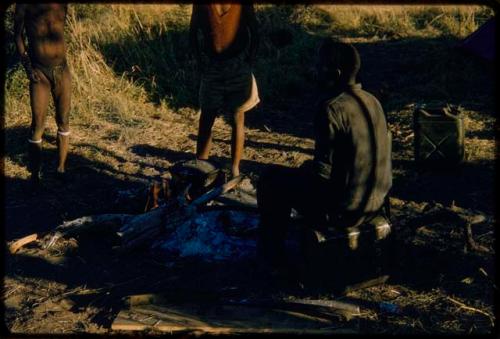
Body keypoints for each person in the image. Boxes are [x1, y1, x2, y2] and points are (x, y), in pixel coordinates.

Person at [257, 39, 392, 267]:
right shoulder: (373, 101)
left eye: (319, 67)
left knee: (271, 180)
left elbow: (323, 174)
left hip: (346, 210)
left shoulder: (331, 108)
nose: (315, 72)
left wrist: (305, 173)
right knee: (296, 176)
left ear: (335, 73)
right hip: (375, 203)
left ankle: (273, 260)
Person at [189, 3, 260, 178]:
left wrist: (249, 60)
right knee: (208, 119)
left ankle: (233, 168)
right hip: (217, 66)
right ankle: (202, 167)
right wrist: (200, 63)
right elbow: (192, 34)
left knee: (234, 118)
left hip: (234, 64)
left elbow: (255, 32)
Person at [14, 4, 72, 188]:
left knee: (63, 120)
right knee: (38, 124)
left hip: (62, 70)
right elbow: (17, 35)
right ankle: (34, 175)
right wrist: (28, 68)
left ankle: (61, 169)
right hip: (39, 72)